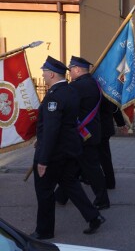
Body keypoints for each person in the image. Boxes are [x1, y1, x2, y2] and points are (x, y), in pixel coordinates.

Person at [31, 56, 105, 239]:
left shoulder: (54, 97)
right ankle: (93, 216)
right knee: (70, 184)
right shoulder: (71, 91)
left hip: (55, 152)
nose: (43, 75)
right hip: (71, 148)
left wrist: (43, 160)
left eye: (45, 72)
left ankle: (44, 231)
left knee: (45, 191)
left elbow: (52, 129)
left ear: (52, 74)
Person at [55, 56, 110, 210]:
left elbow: (66, 105)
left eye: (71, 69)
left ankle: (102, 200)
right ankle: (61, 196)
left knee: (91, 168)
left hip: (83, 135)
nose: (70, 72)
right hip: (91, 132)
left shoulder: (78, 86)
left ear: (77, 69)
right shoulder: (93, 83)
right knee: (73, 167)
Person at [99, 97, 128, 190]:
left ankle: (109, 181)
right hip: (106, 128)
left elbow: (115, 109)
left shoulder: (95, 90)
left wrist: (121, 124)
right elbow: (115, 109)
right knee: (105, 157)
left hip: (97, 129)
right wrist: (121, 123)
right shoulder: (108, 92)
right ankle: (110, 181)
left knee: (88, 158)